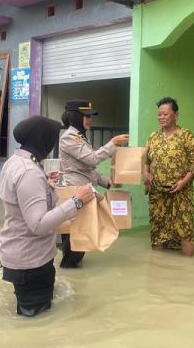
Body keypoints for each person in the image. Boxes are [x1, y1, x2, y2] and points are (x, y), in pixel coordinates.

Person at [0, 115, 96, 317]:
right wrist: (76, 201)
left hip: (19, 256)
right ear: (42, 140)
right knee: (34, 322)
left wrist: (44, 182)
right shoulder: (29, 173)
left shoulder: (15, 162)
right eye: (52, 139)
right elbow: (39, 224)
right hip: (31, 263)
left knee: (33, 317)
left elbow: (19, 197)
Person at [58, 100, 129, 268]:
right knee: (75, 240)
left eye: (91, 116)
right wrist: (113, 143)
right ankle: (69, 276)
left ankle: (72, 277)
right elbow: (92, 159)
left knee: (80, 239)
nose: (90, 120)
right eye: (86, 116)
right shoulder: (69, 137)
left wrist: (108, 183)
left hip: (84, 190)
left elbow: (87, 170)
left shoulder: (80, 137)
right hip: (75, 191)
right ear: (75, 117)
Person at [143, 97, 194, 257]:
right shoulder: (153, 137)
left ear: (176, 115)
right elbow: (145, 161)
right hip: (158, 194)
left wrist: (183, 182)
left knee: (185, 227)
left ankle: (188, 268)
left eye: (165, 114)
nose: (161, 117)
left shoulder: (186, 135)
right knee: (158, 227)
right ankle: (158, 267)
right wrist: (145, 173)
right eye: (159, 114)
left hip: (181, 193)